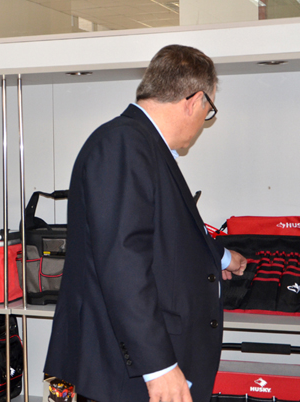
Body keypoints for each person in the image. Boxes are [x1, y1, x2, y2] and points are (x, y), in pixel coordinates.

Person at [44, 45, 247, 402]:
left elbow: (161, 232)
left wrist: (219, 258)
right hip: (129, 373)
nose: (205, 121)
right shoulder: (123, 144)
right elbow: (123, 262)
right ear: (194, 101)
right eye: (209, 110)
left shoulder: (142, 145)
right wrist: (159, 367)